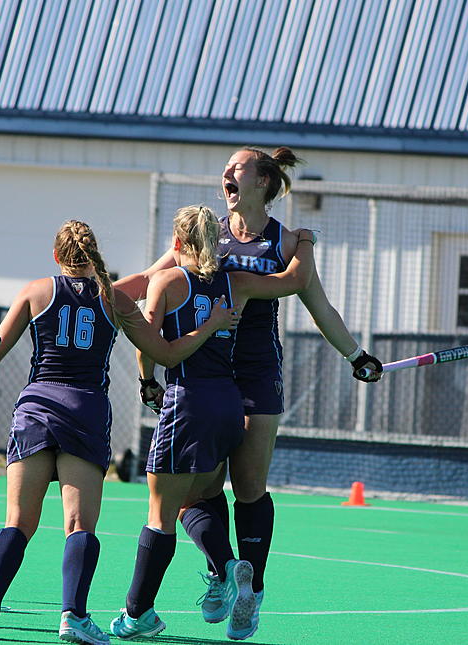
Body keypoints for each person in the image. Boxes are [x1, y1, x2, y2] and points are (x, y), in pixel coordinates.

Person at [114, 147, 383, 637]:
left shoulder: (284, 242)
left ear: (264, 182)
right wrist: (91, 286)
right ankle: (226, 573)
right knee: (201, 490)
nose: (226, 175)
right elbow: (148, 278)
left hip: (256, 373)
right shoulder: (206, 234)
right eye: (226, 170)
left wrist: (355, 355)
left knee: (250, 486)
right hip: (209, 375)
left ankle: (250, 591)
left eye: (237, 168)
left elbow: (315, 302)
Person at [0, 220, 237, 643]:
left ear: (57, 257)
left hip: (36, 409)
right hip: (85, 412)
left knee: (18, 521)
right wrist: (209, 325)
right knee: (79, 525)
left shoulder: (36, 291)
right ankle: (73, 617)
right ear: (96, 254)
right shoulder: (115, 299)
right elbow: (165, 353)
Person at [110, 205, 315, 641]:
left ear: (179, 243)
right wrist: (307, 242)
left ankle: (138, 612)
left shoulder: (166, 282)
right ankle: (232, 569)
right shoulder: (235, 282)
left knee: (160, 513)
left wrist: (147, 382)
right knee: (201, 495)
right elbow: (291, 281)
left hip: (187, 401)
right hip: (229, 401)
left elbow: (152, 347)